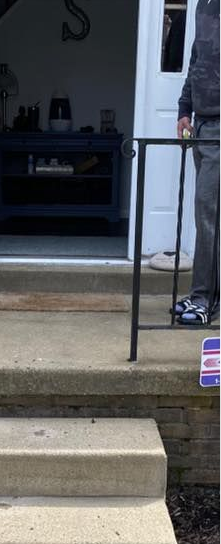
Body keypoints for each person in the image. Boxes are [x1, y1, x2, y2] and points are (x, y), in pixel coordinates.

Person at [174, 0, 220, 326]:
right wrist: (184, 109)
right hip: (201, 124)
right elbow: (196, 58)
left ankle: (206, 300)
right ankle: (200, 293)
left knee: (207, 213)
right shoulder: (204, 5)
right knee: (205, 215)